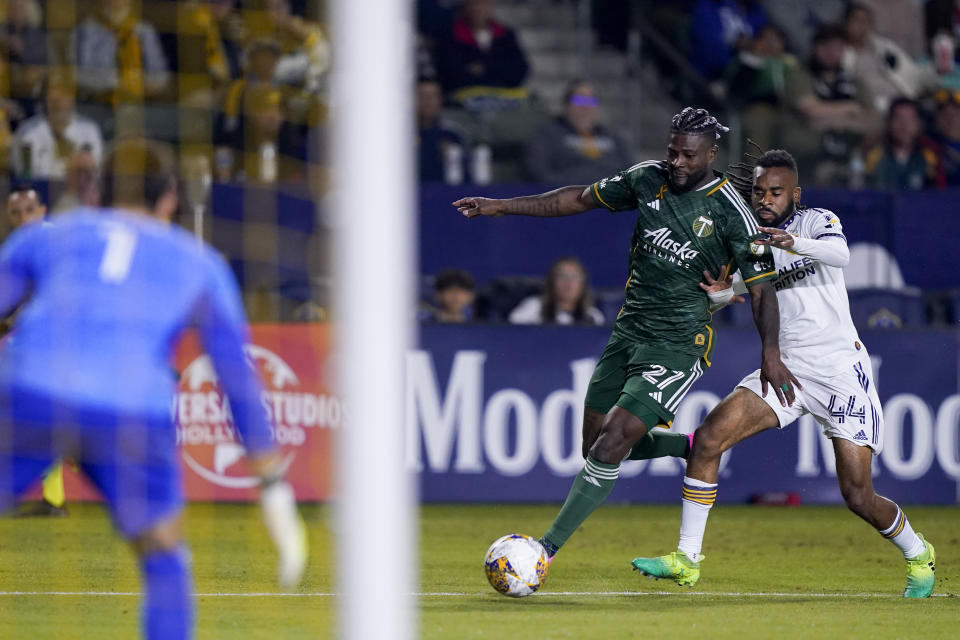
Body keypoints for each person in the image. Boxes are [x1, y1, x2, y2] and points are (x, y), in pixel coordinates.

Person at [453, 106, 797, 564]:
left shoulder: (732, 213)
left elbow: (762, 291)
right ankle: (686, 446)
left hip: (679, 344)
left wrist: (770, 353)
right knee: (592, 446)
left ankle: (544, 551)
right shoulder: (646, 178)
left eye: (688, 156)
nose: (676, 162)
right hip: (627, 334)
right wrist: (504, 205)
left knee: (612, 442)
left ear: (711, 154)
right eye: (672, 151)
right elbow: (576, 199)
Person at [0, 139, 307, 639]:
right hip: (132, 411)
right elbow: (237, 378)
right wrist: (271, 485)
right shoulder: (202, 263)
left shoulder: (43, 238)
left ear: (95, 190)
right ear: (170, 199)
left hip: (32, 390)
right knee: (164, 554)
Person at [629, 149, 936, 598]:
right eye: (758, 192)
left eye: (775, 192)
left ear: (795, 193)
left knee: (858, 496)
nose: (765, 199)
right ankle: (686, 559)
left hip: (838, 372)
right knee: (710, 436)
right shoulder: (748, 241)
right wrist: (719, 294)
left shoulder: (815, 222)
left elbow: (841, 254)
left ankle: (917, 552)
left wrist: (792, 243)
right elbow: (740, 291)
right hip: (785, 369)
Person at [1, 185, 67, 517]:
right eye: (16, 212)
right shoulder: (18, 248)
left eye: (29, 209)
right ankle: (53, 499)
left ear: (41, 210)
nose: (23, 217)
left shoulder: (52, 240)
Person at [524, 79, 632, 185]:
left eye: (591, 101)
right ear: (565, 104)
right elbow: (538, 174)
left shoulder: (614, 138)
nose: (585, 106)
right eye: (579, 100)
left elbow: (631, 174)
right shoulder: (547, 136)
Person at [10, 73, 104, 180]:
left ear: (72, 98)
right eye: (53, 96)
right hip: (40, 193)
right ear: (45, 99)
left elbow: (94, 174)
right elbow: (25, 176)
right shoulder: (27, 133)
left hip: (78, 194)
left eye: (64, 95)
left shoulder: (89, 131)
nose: (59, 103)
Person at [864, 97, 943, 190]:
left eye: (910, 119)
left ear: (918, 124)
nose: (904, 125)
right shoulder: (874, 157)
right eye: (898, 118)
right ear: (889, 123)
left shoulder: (930, 158)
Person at [508, 256, 605, 326]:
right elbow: (513, 335)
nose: (568, 283)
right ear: (551, 282)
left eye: (575, 277)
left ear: (583, 285)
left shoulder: (593, 316)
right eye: (562, 276)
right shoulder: (533, 307)